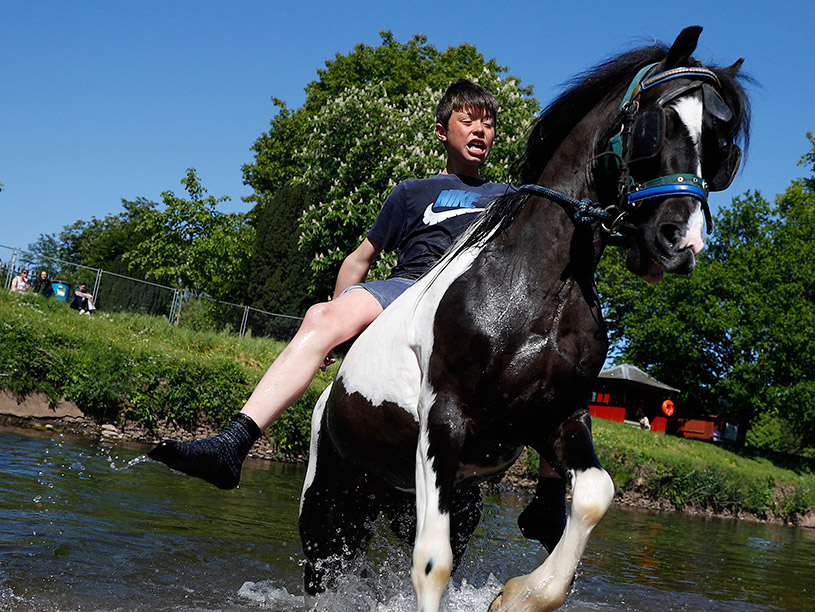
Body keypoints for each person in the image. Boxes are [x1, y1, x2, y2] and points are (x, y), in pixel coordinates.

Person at [149, 79, 567, 545]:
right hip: (407, 287)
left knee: (563, 351)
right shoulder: (412, 192)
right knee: (320, 318)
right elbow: (359, 259)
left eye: (488, 124)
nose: (480, 130)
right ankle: (233, 444)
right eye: (468, 121)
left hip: (477, 302)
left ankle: (552, 495)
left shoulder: (510, 198)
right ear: (440, 131)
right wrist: (344, 324)